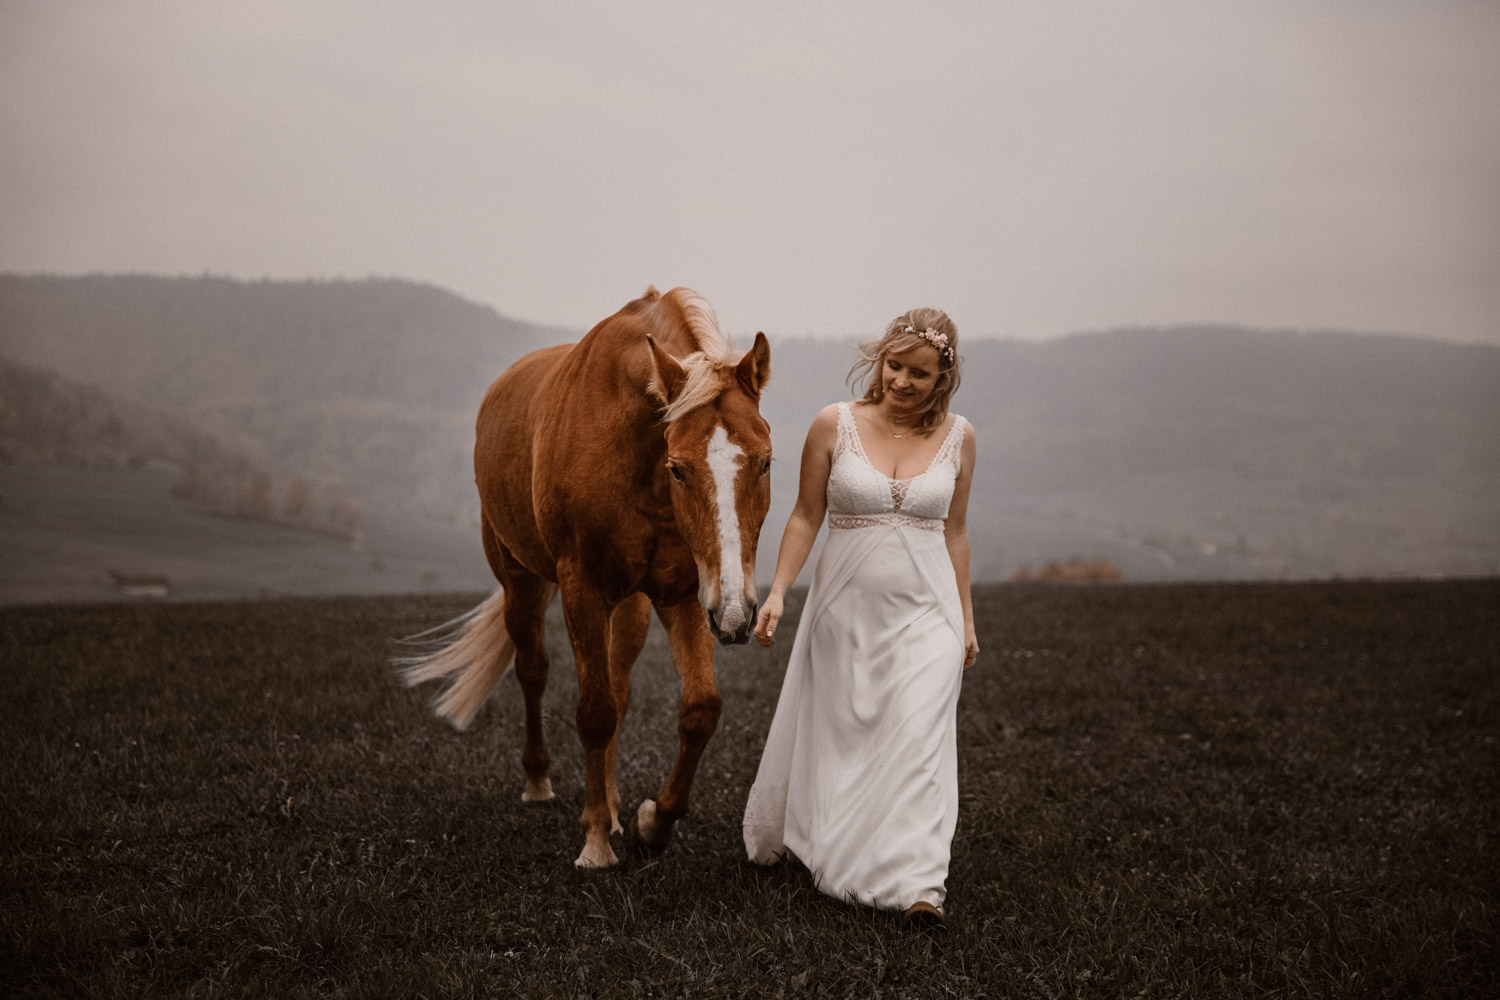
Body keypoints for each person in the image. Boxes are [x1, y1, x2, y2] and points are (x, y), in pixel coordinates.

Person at [742, 307, 978, 926]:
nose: (902, 381)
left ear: (942, 378)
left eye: (919, 374)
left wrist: (967, 620)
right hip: (843, 608)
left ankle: (922, 885)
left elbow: (955, 532)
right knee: (847, 735)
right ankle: (842, 845)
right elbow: (804, 515)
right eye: (895, 365)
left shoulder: (961, 437)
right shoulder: (833, 424)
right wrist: (778, 592)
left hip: (931, 612)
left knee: (921, 737)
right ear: (880, 360)